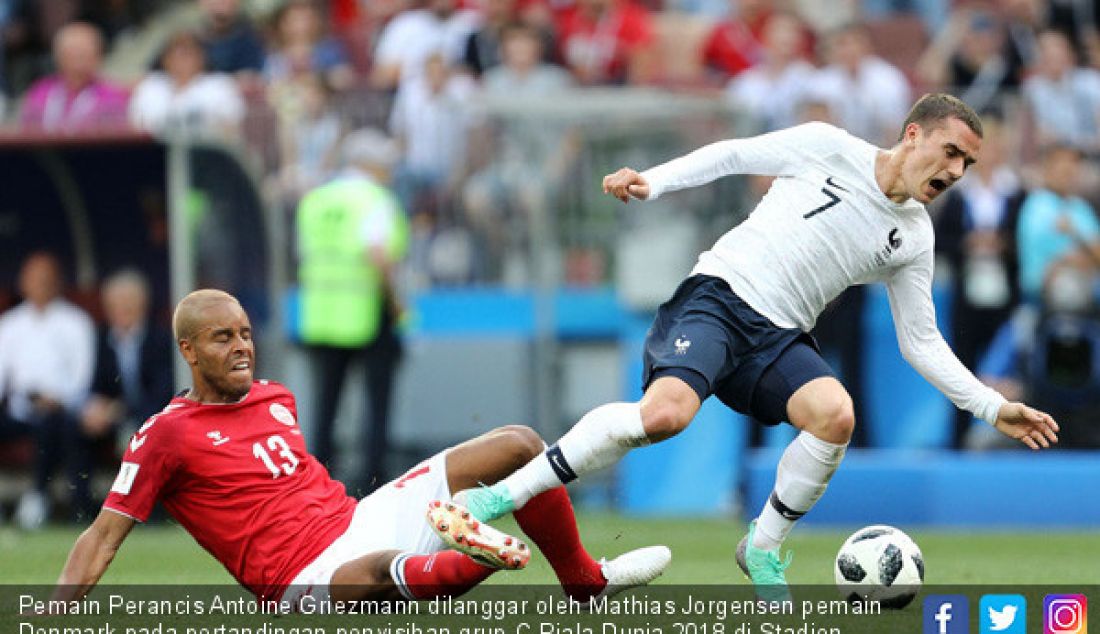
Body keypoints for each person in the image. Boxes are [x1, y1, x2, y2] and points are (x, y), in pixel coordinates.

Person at [454, 94, 1061, 600]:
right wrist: (654, 181)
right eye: (951, 152)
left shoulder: (914, 237)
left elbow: (920, 341)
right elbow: (735, 154)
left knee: (836, 415)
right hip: (718, 298)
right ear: (913, 134)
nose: (955, 172)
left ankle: (763, 547)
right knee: (665, 416)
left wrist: (989, 406)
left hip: (778, 337)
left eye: (968, 164)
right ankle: (504, 493)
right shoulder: (829, 146)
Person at [50, 289, 670, 605]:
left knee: (519, 444)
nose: (241, 347)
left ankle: (584, 582)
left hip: (357, 517)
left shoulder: (275, 396)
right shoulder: (166, 433)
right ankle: (482, 554)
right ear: (188, 350)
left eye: (245, 334)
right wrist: (53, 612)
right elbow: (103, 536)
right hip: (301, 580)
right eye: (221, 339)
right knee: (372, 576)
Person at [297, 129, 408, 493]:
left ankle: (318, 483)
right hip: (366, 312)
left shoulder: (315, 200)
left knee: (325, 406)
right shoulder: (376, 199)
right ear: (372, 165)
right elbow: (378, 253)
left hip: (321, 314)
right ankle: (374, 481)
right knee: (376, 405)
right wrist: (396, 302)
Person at [0, 252, 95, 528]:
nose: (40, 285)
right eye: (33, 279)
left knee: (53, 425)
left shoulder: (77, 322)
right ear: (23, 283)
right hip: (18, 413)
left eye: (46, 279)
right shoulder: (8, 325)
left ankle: (40, 497)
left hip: (62, 411)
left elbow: (82, 379)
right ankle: (37, 498)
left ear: (58, 282)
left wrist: (57, 399)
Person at [82, 269, 174, 451]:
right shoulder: (101, 338)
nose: (121, 309)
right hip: (114, 418)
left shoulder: (160, 339)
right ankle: (78, 481)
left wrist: (120, 410)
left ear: (143, 304)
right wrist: (95, 407)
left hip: (152, 416)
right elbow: (97, 384)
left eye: (127, 302)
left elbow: (162, 393)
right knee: (78, 426)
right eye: (114, 304)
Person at [19, 21, 128, 132]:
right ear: (58, 57)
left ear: (98, 57)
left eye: (83, 55)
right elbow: (28, 131)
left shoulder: (112, 96)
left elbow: (111, 137)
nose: (78, 62)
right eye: (71, 54)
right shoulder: (40, 92)